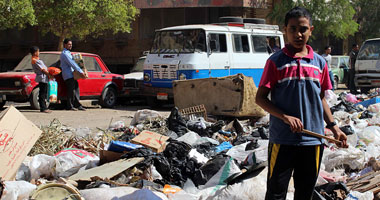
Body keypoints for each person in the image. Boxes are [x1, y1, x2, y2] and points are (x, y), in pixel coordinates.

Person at [255, 7, 348, 200]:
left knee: (305, 193)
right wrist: (285, 117)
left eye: (303, 29)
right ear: (285, 30)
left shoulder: (319, 63)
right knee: (275, 193)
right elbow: (260, 98)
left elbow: (320, 98)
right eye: (293, 29)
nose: (298, 34)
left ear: (311, 30)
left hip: (313, 141)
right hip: (282, 140)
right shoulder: (275, 62)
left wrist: (334, 127)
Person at [60, 39, 86, 111]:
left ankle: (77, 105)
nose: (70, 46)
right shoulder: (65, 54)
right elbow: (72, 63)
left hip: (72, 74)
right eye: (69, 44)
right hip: (68, 75)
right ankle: (70, 106)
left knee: (76, 89)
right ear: (65, 45)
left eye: (71, 44)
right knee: (71, 91)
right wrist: (81, 72)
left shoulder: (68, 53)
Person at [31, 46, 53, 113]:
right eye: (38, 51)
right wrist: (49, 75)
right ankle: (43, 108)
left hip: (43, 77)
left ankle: (44, 107)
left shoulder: (36, 60)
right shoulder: (35, 60)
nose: (38, 53)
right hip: (42, 78)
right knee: (42, 93)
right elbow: (43, 69)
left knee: (43, 92)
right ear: (35, 52)